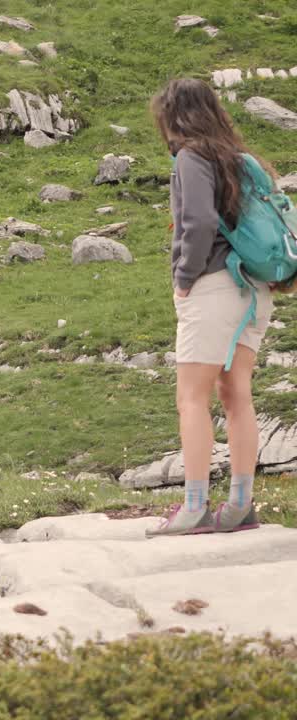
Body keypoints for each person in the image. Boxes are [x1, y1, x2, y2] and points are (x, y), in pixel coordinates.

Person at [147, 78, 276, 537]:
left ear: (171, 115)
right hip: (254, 290)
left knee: (191, 397)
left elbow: (198, 222)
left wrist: (184, 278)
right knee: (236, 392)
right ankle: (240, 504)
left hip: (215, 285)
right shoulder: (239, 159)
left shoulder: (191, 156)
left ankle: (195, 508)